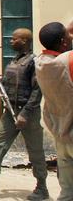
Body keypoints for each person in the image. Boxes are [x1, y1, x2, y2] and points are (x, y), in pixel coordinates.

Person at [0, 28, 49, 200]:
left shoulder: (33, 62)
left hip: (27, 112)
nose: (11, 41)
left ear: (25, 41)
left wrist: (25, 114)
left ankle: (42, 188)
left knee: (35, 150)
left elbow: (37, 91)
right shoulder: (14, 60)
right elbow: (9, 82)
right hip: (10, 112)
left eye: (15, 39)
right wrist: (0, 84)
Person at [35, 22, 73, 200]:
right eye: (68, 36)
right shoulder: (67, 61)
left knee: (67, 192)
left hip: (61, 135)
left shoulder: (41, 63)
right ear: (63, 42)